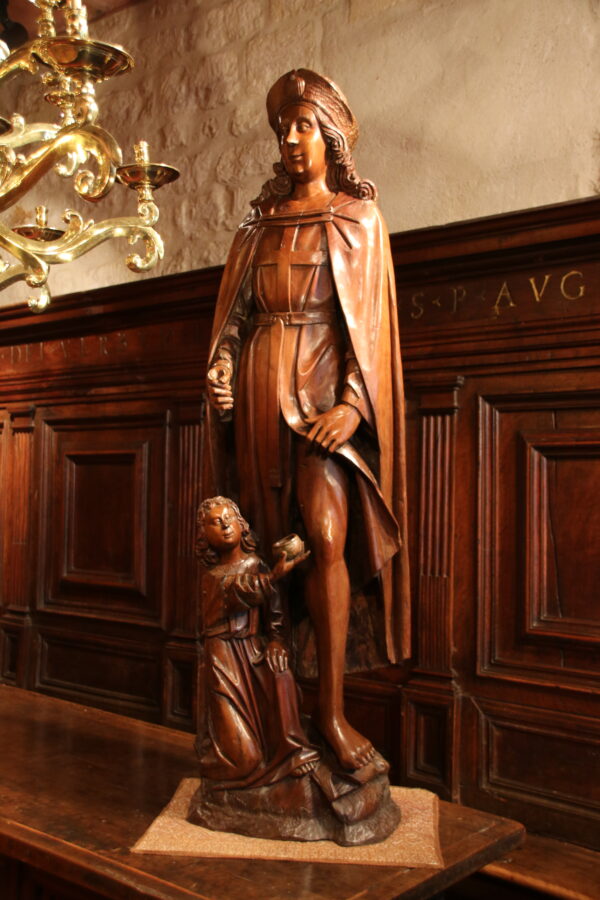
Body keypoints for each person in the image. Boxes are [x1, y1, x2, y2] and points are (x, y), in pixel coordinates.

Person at [203, 69, 410, 772]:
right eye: (283, 128)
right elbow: (234, 321)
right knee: (265, 551)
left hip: (322, 406)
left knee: (324, 538)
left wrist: (353, 405)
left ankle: (331, 713)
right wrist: (222, 370)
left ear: (332, 137)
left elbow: (369, 331)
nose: (291, 139)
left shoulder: (358, 220)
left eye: (305, 126)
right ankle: (274, 721)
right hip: (259, 400)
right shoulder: (256, 228)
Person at [196, 496, 318, 789]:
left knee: (280, 672)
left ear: (242, 525)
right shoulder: (210, 577)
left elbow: (275, 615)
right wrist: (272, 577)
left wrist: (276, 642)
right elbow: (230, 594)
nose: (225, 525)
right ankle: (236, 776)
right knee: (244, 758)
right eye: (215, 522)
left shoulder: (256, 564)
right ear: (204, 536)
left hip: (253, 649)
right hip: (222, 658)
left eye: (229, 518)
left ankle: (292, 750)